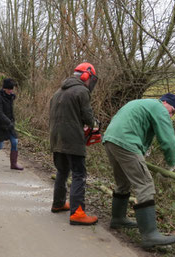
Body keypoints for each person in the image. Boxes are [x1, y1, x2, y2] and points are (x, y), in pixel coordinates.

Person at [102, 93, 175, 248]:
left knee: (123, 182)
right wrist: (171, 163)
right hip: (126, 142)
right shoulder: (159, 108)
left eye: (173, 114)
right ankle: (150, 235)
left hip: (110, 139)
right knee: (145, 184)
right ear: (165, 102)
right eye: (171, 111)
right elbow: (168, 140)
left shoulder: (142, 104)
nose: (170, 115)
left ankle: (118, 218)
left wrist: (142, 151)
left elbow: (140, 129)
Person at [49, 62, 99, 225]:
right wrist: (94, 123)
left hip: (56, 138)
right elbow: (88, 117)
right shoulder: (82, 91)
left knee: (62, 171)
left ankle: (58, 203)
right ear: (86, 76)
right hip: (72, 139)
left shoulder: (58, 92)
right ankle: (77, 213)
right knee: (79, 174)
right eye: (91, 79)